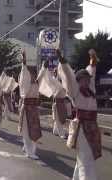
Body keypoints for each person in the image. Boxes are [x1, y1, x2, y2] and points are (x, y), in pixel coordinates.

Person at [57, 49, 101, 180]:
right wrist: (62, 60)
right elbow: (69, 75)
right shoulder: (75, 91)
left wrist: (92, 60)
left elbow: (92, 70)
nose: (87, 81)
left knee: (85, 157)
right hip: (81, 128)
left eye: (88, 79)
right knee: (86, 159)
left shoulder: (91, 89)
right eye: (84, 79)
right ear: (78, 80)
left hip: (92, 127)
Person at [18, 51, 43, 160]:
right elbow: (24, 74)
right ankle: (29, 151)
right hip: (27, 109)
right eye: (31, 74)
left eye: (34, 74)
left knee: (34, 130)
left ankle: (30, 149)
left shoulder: (37, 84)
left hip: (34, 110)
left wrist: (44, 67)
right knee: (26, 130)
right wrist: (24, 61)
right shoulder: (25, 85)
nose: (33, 76)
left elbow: (42, 75)